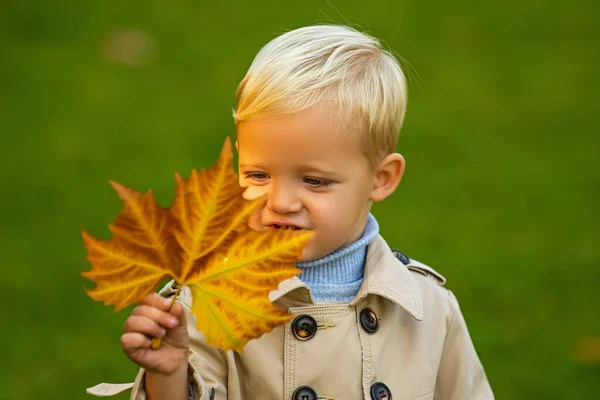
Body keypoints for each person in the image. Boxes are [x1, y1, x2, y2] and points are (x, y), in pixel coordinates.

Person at [87, 24, 494, 399]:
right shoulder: (210, 302)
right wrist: (168, 375)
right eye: (258, 175)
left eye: (315, 181)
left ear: (381, 178)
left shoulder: (426, 308)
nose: (280, 202)